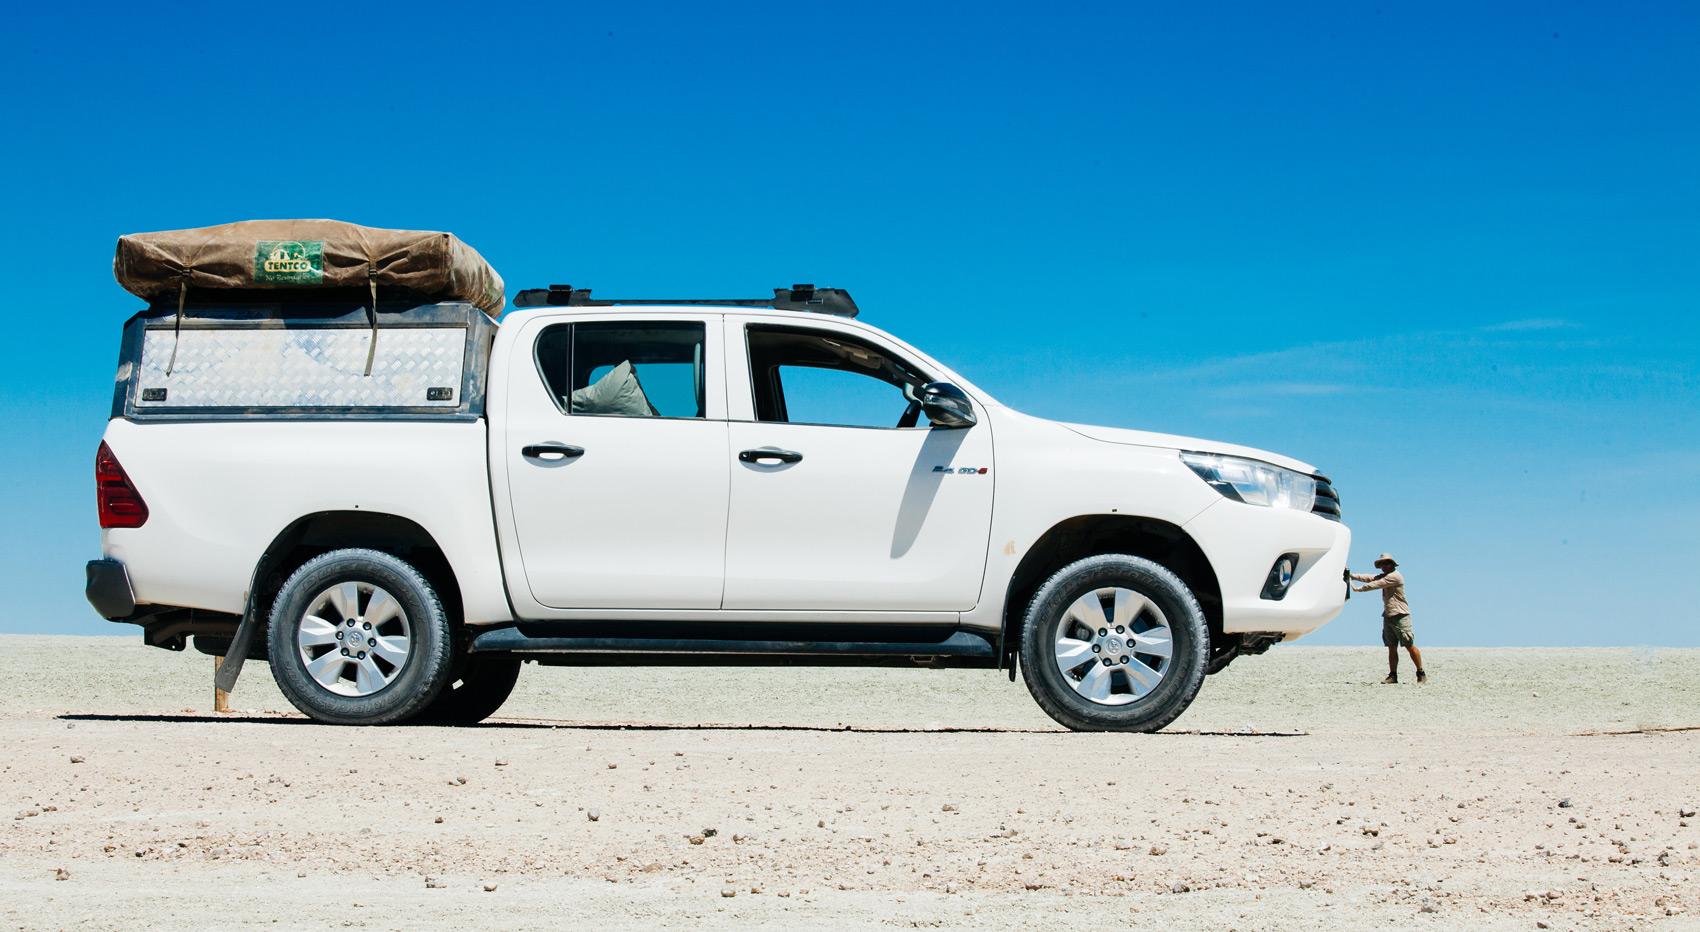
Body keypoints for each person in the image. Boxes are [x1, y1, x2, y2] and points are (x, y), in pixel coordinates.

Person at [1351, 553, 1426, 684]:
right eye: (1382, 565)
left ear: (1392, 564)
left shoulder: (1394, 577)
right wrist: (1352, 576)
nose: (1384, 567)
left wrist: (1359, 589)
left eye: (1386, 564)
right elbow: (1370, 578)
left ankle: (1420, 672)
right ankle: (1393, 675)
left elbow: (1376, 584)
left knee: (1409, 645)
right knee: (1391, 647)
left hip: (1401, 615)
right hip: (1388, 615)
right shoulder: (1385, 575)